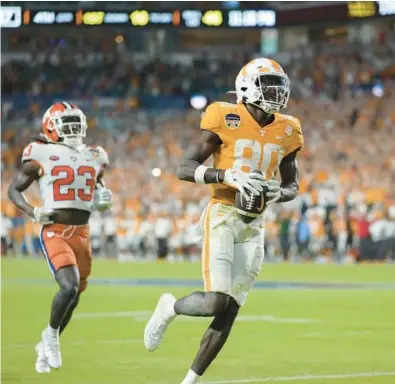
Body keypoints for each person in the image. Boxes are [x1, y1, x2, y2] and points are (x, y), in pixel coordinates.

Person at [144, 58, 304, 383]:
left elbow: (292, 185)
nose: (275, 93)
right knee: (216, 301)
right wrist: (227, 175)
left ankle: (190, 381)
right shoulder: (224, 115)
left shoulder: (289, 129)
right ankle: (169, 308)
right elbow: (185, 168)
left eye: (278, 86)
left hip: (255, 223)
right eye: (267, 85)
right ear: (246, 86)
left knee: (230, 310)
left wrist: (278, 192)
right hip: (222, 212)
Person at [8, 102, 113, 373]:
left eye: (76, 122)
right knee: (68, 287)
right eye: (68, 123)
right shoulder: (40, 152)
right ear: (51, 126)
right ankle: (51, 337)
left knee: (75, 295)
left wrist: (102, 198)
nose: (74, 128)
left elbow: (98, 187)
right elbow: (14, 190)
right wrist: (33, 211)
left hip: (83, 232)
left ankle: (46, 342)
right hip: (55, 229)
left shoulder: (94, 154)